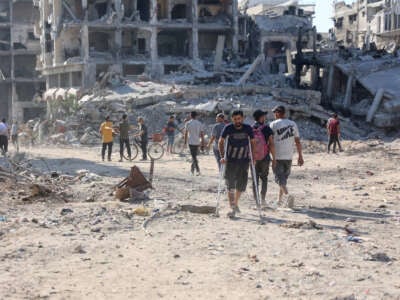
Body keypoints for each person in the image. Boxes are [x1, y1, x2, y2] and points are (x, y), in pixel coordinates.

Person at [219, 110, 255, 218]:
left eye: (239, 119)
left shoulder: (248, 128)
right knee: (230, 184)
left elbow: (252, 142)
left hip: (244, 160)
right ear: (232, 119)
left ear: (242, 118)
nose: (237, 121)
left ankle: (235, 203)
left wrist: (252, 156)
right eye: (235, 119)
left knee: (241, 184)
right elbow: (221, 141)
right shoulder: (228, 128)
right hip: (231, 160)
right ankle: (233, 205)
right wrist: (222, 156)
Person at [269, 106, 304, 209]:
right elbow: (297, 141)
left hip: (278, 156)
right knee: (283, 179)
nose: (274, 115)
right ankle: (279, 200)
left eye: (275, 113)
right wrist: (300, 156)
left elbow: (270, 141)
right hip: (289, 156)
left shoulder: (273, 124)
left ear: (278, 113)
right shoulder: (293, 124)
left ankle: (288, 196)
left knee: (279, 179)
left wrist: (270, 156)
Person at [252, 110, 276, 208]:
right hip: (265, 157)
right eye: (264, 116)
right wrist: (274, 158)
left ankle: (257, 202)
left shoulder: (251, 128)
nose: (265, 118)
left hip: (253, 158)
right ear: (261, 117)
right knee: (264, 178)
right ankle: (263, 200)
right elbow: (271, 144)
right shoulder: (266, 128)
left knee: (255, 179)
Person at [184, 111, 205, 175]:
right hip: (197, 141)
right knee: (194, 156)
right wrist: (202, 143)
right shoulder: (200, 123)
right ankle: (192, 170)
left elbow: (186, 133)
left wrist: (185, 142)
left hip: (190, 141)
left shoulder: (188, 123)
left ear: (190, 116)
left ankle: (197, 170)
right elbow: (202, 134)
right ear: (196, 116)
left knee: (194, 156)